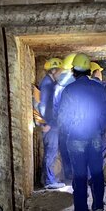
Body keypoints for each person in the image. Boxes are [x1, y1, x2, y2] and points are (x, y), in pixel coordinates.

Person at [57, 54, 106, 211]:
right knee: (97, 173)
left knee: (79, 176)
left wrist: (68, 132)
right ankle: (98, 206)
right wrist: (98, 129)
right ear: (89, 70)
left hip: (76, 139)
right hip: (95, 137)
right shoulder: (100, 88)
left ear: (74, 71)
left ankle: (81, 208)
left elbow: (62, 119)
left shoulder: (68, 90)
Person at [39, 57, 65, 189]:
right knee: (51, 152)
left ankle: (48, 179)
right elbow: (43, 106)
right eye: (60, 70)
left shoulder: (51, 83)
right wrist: (46, 123)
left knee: (52, 152)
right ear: (53, 70)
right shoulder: (47, 84)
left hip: (52, 125)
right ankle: (49, 181)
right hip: (50, 126)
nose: (61, 73)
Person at [52, 53, 77, 183]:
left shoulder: (57, 86)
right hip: (77, 124)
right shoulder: (77, 85)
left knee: (65, 150)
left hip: (62, 124)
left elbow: (55, 106)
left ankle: (68, 177)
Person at [90, 62, 106, 168]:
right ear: (96, 72)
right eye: (100, 71)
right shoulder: (105, 86)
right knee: (102, 151)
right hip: (104, 123)